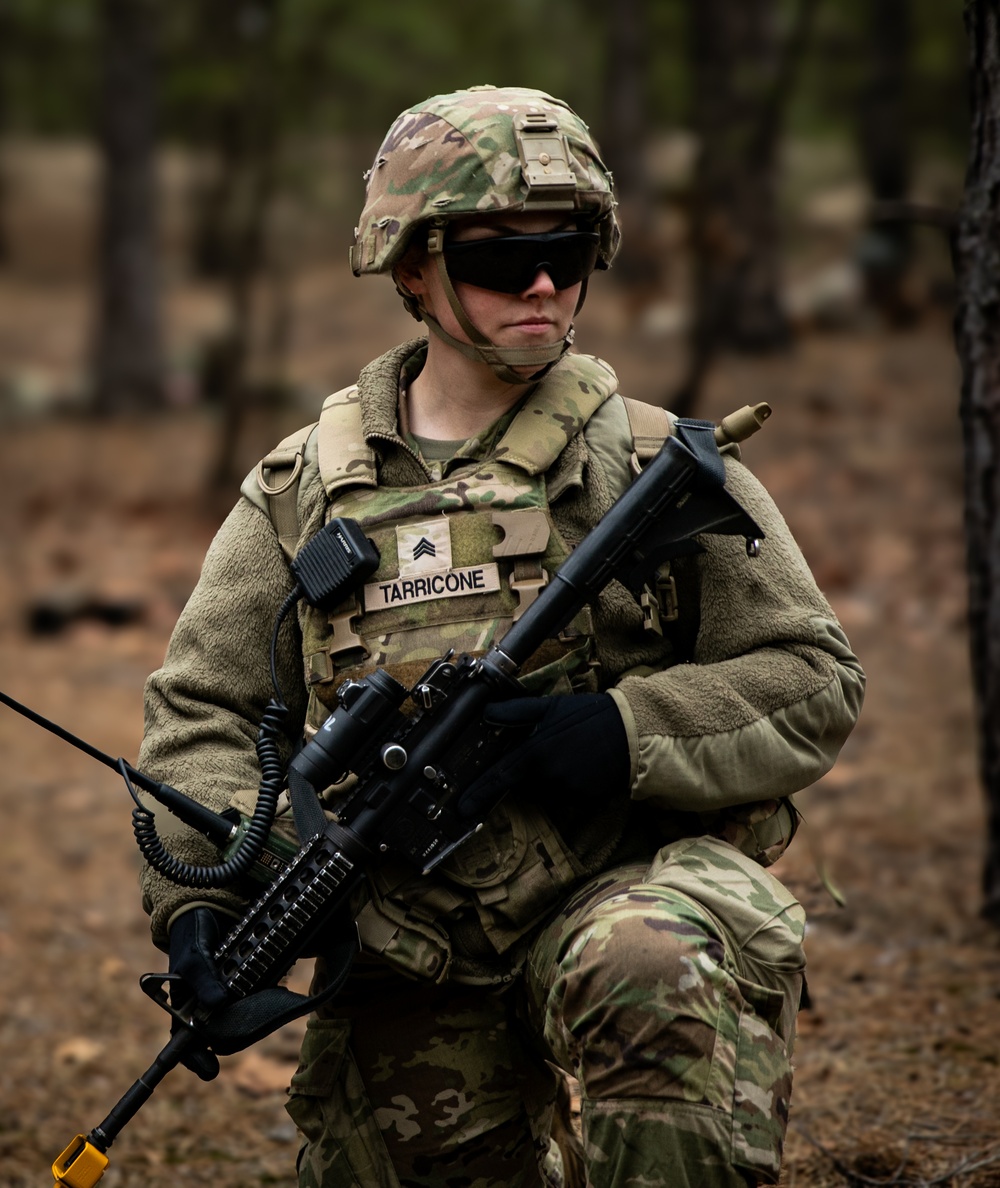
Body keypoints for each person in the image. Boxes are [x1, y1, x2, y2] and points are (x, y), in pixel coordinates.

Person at [138, 85, 865, 1188]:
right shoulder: (301, 490)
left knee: (651, 965)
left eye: (566, 251)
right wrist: (203, 900)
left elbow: (812, 676)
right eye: (498, 259)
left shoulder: (652, 465)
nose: (540, 283)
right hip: (409, 945)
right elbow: (208, 709)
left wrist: (616, 732)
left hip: (620, 885)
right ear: (412, 271)